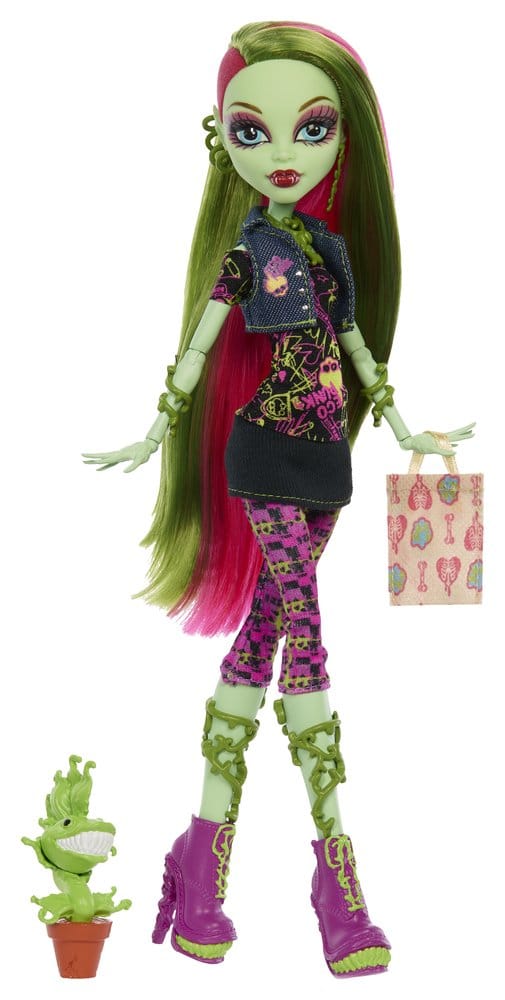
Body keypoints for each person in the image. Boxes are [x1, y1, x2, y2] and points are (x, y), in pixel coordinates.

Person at [84, 21, 473, 978]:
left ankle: (199, 855)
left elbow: (357, 351)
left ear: (347, 137)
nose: (285, 152)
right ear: (223, 141)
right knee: (307, 637)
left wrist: (408, 428)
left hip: (326, 466)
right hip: (260, 452)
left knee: (261, 641)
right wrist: (156, 430)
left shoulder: (329, 252)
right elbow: (197, 345)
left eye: (314, 127)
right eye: (252, 131)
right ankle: (339, 880)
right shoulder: (246, 254)